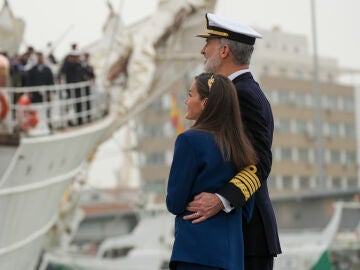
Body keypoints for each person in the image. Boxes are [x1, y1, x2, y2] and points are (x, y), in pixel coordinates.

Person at [184, 13, 282, 270]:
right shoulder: (234, 93)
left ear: (225, 50)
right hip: (234, 233)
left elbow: (259, 162)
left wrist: (221, 199)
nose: (202, 51)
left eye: (209, 44)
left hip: (249, 234)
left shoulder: (243, 95)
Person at [166, 73, 258, 270]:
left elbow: (174, 202)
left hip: (194, 254)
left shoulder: (189, 141)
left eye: (190, 95)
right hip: (232, 257)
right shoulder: (241, 146)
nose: (186, 100)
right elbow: (247, 210)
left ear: (205, 103)